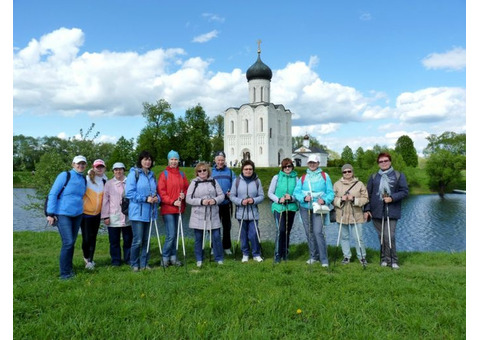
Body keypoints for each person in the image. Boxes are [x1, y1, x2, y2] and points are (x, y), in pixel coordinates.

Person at [364, 152, 408, 269]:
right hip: (376, 211)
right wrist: (367, 209)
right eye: (381, 161)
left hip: (391, 211)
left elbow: (404, 191)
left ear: (390, 161)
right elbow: (368, 194)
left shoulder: (398, 175)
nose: (383, 163)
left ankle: (393, 260)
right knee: (382, 236)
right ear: (378, 163)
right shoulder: (374, 177)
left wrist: (392, 198)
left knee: (390, 236)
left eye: (386, 161)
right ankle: (384, 258)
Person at [45, 155, 88, 279]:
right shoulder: (65, 175)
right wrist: (50, 213)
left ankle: (68, 268)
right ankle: (64, 274)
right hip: (63, 213)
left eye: (83, 164)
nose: (81, 166)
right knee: (68, 242)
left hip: (77, 214)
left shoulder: (83, 179)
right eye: (78, 163)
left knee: (71, 242)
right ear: (73, 164)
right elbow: (53, 194)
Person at [293, 154, 334, 267]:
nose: (312, 164)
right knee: (309, 232)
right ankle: (313, 256)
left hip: (318, 208)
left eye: (314, 162)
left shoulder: (325, 176)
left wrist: (324, 200)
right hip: (305, 207)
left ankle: (324, 259)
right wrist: (303, 198)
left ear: (318, 163)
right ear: (307, 163)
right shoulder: (303, 177)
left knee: (318, 232)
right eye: (310, 162)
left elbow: (331, 193)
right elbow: (296, 192)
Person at [125, 151, 160, 271]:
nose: (147, 162)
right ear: (140, 161)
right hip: (137, 213)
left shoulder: (152, 175)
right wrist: (145, 199)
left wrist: (156, 198)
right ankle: (134, 264)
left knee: (147, 240)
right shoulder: (134, 174)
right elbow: (129, 193)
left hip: (150, 212)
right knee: (138, 240)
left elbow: (157, 192)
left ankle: (144, 263)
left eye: (149, 159)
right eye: (145, 159)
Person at [186, 162, 225, 267]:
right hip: (198, 215)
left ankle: (219, 258)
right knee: (199, 238)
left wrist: (215, 200)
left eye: (204, 170)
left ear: (208, 171)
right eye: (200, 171)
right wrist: (201, 201)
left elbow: (221, 196)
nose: (202, 172)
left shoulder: (214, 181)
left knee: (216, 237)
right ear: (197, 173)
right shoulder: (194, 183)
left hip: (213, 214)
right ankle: (199, 258)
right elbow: (188, 199)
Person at [157, 150, 189, 267]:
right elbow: (161, 192)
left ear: (178, 160)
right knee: (171, 234)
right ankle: (165, 257)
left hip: (179, 208)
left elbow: (187, 188)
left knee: (176, 234)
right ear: (168, 160)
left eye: (176, 159)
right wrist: (172, 201)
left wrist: (184, 195)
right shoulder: (164, 174)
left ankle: (173, 257)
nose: (174, 161)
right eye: (172, 159)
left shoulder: (182, 174)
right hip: (168, 209)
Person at [333, 164, 369, 265]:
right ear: (342, 173)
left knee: (358, 237)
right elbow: (332, 199)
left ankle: (362, 257)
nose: (347, 173)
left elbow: (366, 198)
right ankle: (346, 257)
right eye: (345, 172)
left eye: (349, 171)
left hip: (356, 215)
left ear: (352, 172)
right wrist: (340, 199)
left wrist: (354, 199)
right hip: (342, 215)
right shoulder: (337, 184)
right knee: (344, 237)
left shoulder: (360, 184)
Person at [229, 160, 265, 263]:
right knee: (243, 235)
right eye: (246, 169)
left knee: (253, 234)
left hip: (253, 212)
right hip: (241, 212)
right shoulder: (236, 181)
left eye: (250, 169)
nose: (248, 171)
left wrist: (253, 200)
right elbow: (232, 196)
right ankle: (245, 254)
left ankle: (256, 254)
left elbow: (262, 196)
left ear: (253, 170)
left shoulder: (257, 181)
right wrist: (241, 201)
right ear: (242, 170)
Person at [101, 162, 133, 266]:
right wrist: (105, 216)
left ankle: (128, 259)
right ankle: (116, 260)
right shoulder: (109, 183)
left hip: (128, 216)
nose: (118, 172)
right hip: (113, 215)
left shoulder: (130, 182)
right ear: (113, 171)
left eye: (120, 169)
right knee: (114, 241)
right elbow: (105, 200)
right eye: (116, 170)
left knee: (128, 240)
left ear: (124, 170)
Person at [267, 158, 299, 263]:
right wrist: (278, 199)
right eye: (285, 166)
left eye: (289, 166)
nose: (287, 168)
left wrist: (292, 198)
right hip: (279, 207)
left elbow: (298, 194)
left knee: (287, 231)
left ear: (292, 167)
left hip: (291, 207)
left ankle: (285, 253)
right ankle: (277, 254)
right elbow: (270, 193)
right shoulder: (276, 177)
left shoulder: (296, 178)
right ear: (282, 167)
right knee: (280, 231)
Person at [81, 159, 108, 270]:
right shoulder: (86, 179)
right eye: (97, 167)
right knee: (86, 238)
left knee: (93, 238)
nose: (99, 168)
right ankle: (85, 257)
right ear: (93, 167)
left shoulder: (105, 181)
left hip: (97, 214)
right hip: (85, 214)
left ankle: (90, 260)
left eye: (101, 166)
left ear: (104, 168)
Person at [211, 151, 236, 255]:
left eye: (222, 160)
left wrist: (232, 191)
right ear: (215, 160)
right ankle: (214, 247)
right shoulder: (210, 172)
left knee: (227, 226)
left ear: (225, 160)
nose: (220, 162)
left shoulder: (230, 172)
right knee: (214, 227)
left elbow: (235, 184)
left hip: (226, 203)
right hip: (214, 203)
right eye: (218, 160)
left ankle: (226, 247)